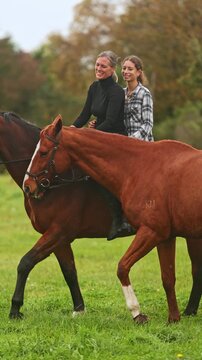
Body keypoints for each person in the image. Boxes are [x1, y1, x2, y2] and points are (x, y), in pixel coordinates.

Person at [71, 50, 127, 240]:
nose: (98, 68)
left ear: (112, 69)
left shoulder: (117, 92)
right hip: (97, 138)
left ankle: (120, 221)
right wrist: (69, 131)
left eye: (103, 66)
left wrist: (88, 136)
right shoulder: (94, 87)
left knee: (101, 174)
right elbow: (85, 115)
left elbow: (111, 122)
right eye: (97, 65)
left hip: (115, 140)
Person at [121, 55, 154, 141]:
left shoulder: (144, 94)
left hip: (142, 146)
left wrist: (131, 140)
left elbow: (148, 124)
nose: (125, 71)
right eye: (124, 68)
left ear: (138, 72)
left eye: (130, 69)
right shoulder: (120, 93)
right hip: (124, 145)